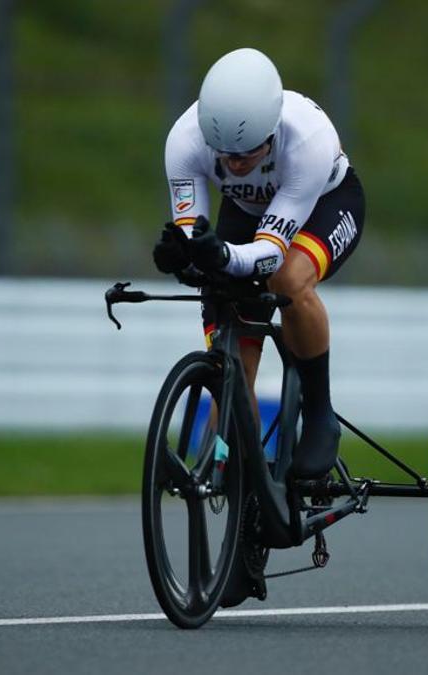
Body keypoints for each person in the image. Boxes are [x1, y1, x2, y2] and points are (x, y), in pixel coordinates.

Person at [152, 48, 366, 604]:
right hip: (244, 216)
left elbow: (269, 256)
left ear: (271, 133)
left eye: (247, 155)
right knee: (231, 345)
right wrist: (185, 253)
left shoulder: (309, 140)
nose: (235, 164)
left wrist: (219, 255)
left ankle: (318, 413)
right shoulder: (185, 140)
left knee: (289, 283)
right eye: (226, 156)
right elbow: (194, 231)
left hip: (322, 203)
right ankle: (242, 492)